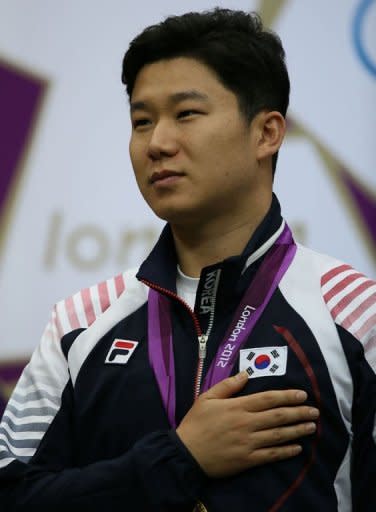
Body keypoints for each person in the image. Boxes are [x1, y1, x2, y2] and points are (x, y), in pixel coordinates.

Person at [0, 7, 375, 511]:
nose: (157, 143)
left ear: (267, 133)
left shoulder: (356, 314)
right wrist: (178, 458)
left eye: (186, 114)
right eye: (141, 120)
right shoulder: (79, 323)